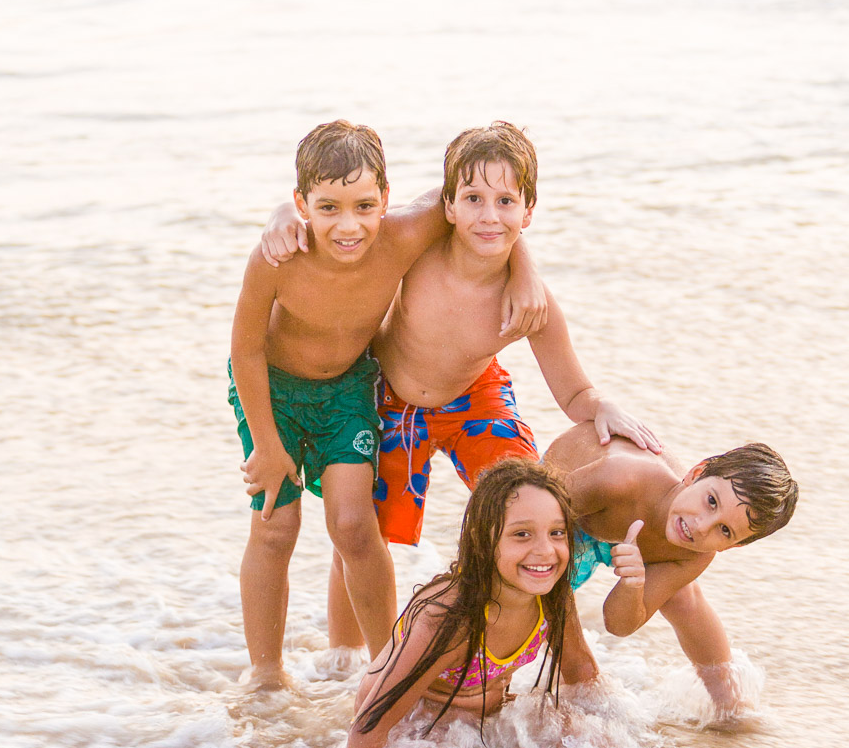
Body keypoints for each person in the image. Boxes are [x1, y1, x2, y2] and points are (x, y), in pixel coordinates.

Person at [262, 121, 658, 651]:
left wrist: (600, 405)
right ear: (449, 206)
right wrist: (283, 212)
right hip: (392, 405)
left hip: (477, 398)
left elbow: (572, 392)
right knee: (359, 537)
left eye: (505, 201)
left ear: (528, 212)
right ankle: (349, 658)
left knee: (530, 509)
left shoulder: (531, 303)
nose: (489, 214)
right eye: (472, 198)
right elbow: (352, 218)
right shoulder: (420, 246)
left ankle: (547, 654)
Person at [229, 119, 545, 690]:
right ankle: (266, 674)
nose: (348, 226)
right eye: (327, 208)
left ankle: (387, 665)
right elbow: (245, 350)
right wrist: (269, 447)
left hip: (351, 386)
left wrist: (526, 267)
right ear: (303, 204)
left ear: (386, 201)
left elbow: (483, 210)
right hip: (271, 390)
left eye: (363, 206)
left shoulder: (402, 232)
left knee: (354, 525)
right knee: (276, 525)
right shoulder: (278, 257)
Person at [346, 458, 627, 748]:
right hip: (413, 726)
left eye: (557, 533)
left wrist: (613, 721)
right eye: (522, 534)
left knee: (603, 745)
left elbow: (582, 673)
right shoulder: (450, 618)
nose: (546, 550)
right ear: (484, 540)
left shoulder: (552, 598)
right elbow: (371, 723)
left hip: (485, 719)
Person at [544, 424, 799, 715]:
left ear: (733, 547)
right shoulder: (620, 478)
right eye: (711, 501)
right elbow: (530, 517)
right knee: (574, 653)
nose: (701, 526)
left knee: (681, 596)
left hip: (623, 535)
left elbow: (619, 624)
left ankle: (730, 703)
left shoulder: (696, 551)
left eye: (725, 530)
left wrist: (634, 585)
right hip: (566, 508)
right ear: (695, 473)